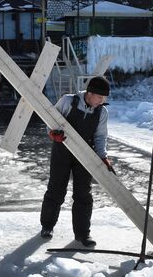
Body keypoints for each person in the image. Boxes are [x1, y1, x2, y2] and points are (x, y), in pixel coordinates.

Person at [40, 76, 112, 247]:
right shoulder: (67, 101)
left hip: (85, 155)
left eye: (104, 99)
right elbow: (50, 122)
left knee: (83, 195)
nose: (102, 101)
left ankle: (82, 234)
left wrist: (103, 156)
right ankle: (47, 226)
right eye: (100, 97)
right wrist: (52, 133)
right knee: (56, 189)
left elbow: (100, 137)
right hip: (62, 151)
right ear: (90, 93)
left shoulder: (102, 112)